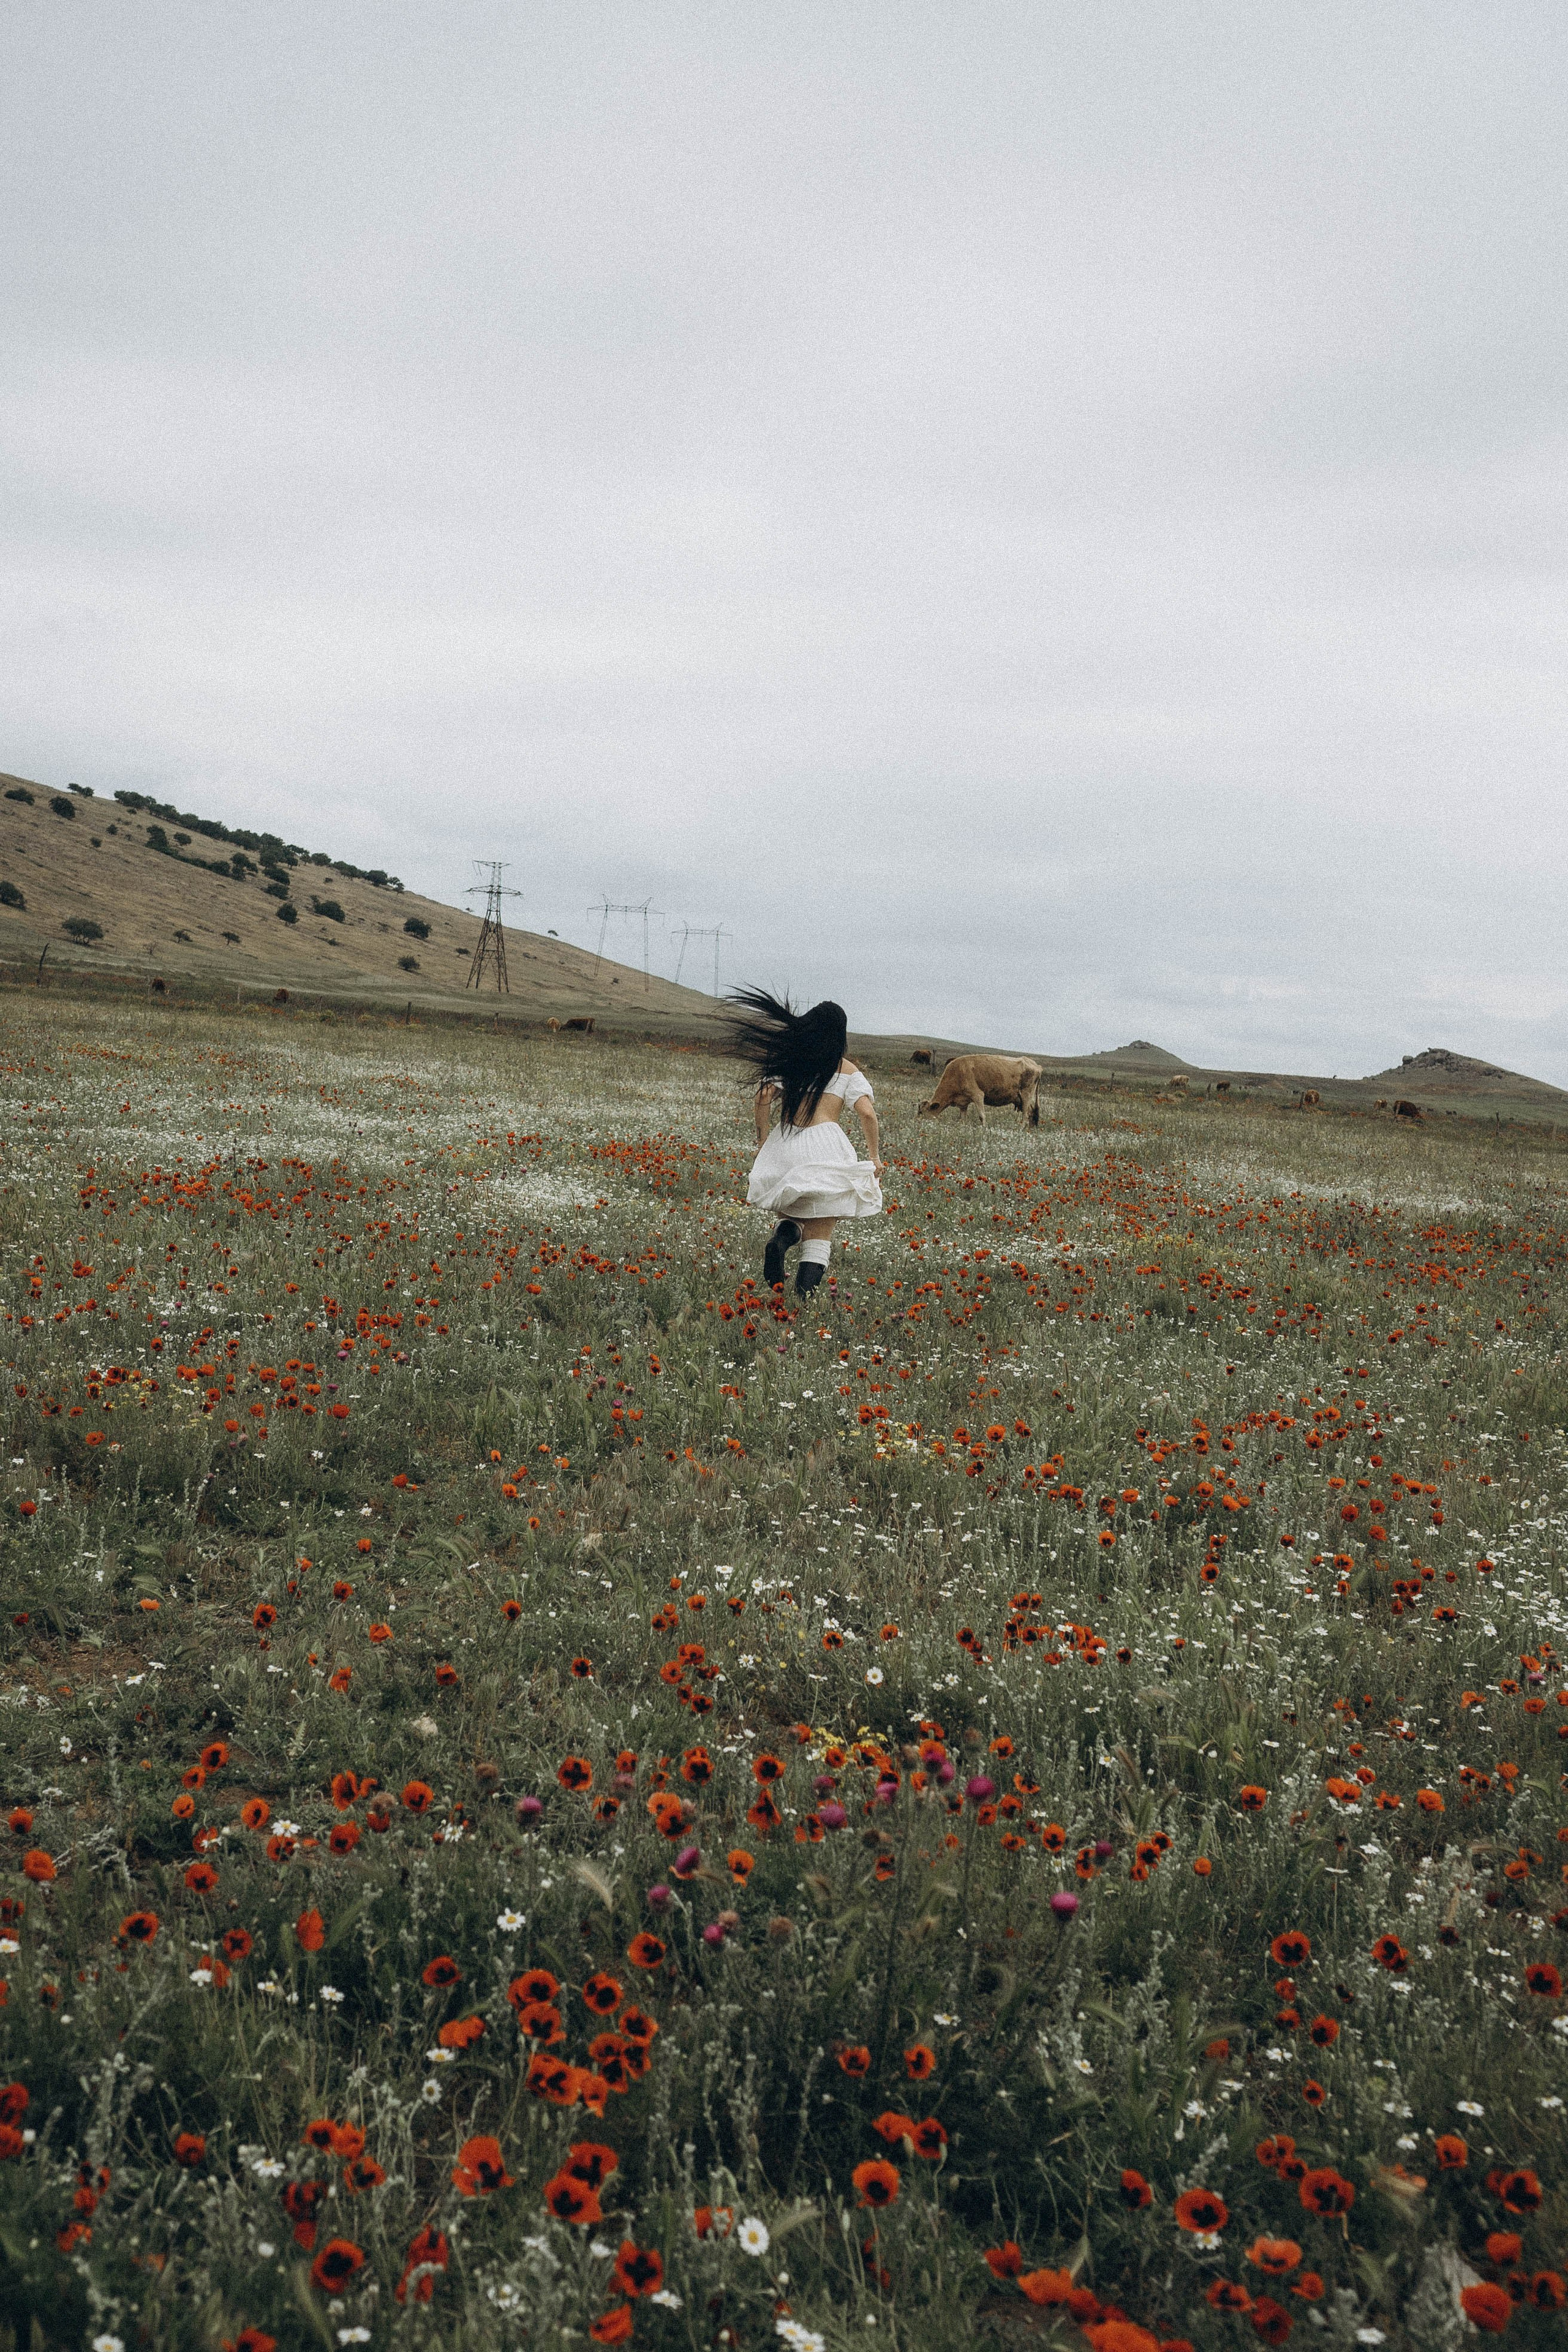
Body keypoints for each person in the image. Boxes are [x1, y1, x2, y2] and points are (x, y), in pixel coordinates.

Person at [728, 987, 884, 1293]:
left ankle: (781, 1240)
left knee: (792, 1212)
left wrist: (763, 1141)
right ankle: (803, 1298)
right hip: (826, 1144)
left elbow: (763, 1097)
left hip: (787, 1141)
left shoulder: (791, 1062)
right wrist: (875, 1156)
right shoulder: (847, 1070)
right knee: (822, 1227)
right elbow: (867, 1114)